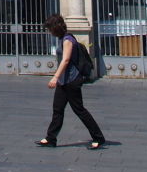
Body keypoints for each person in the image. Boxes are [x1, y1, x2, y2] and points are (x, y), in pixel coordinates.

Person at [35, 14, 105, 151]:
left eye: (50, 29)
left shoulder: (67, 40)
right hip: (64, 81)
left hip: (71, 80)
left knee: (79, 110)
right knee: (58, 109)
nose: (49, 32)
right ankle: (50, 138)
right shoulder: (62, 39)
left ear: (55, 28)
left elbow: (65, 60)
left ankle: (98, 137)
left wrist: (55, 77)